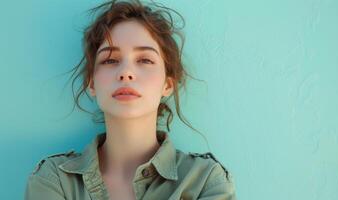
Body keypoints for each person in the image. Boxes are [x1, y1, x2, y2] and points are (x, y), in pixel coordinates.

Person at [25, 0, 237, 199]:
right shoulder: (54, 179)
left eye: (144, 59)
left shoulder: (205, 181)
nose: (126, 72)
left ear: (168, 85)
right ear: (91, 84)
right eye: (110, 60)